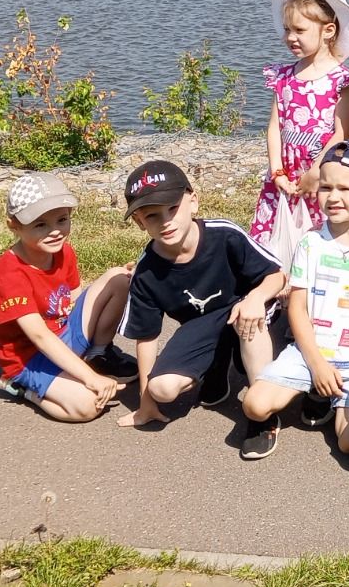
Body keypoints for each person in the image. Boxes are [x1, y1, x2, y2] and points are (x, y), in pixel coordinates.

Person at [238, 140, 349, 459]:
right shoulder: (311, 243)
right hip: (312, 351)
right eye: (326, 187)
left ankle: (333, 400)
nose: (333, 197)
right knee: (254, 405)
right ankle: (314, 393)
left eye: (345, 188)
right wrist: (318, 365)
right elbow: (297, 308)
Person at [115, 161, 287, 460]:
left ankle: (262, 416)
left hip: (247, 312)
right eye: (153, 216)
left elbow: (277, 275)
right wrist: (145, 400)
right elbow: (146, 337)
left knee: (249, 320)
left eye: (172, 208)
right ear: (140, 222)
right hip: (203, 325)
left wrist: (256, 298)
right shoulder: (146, 272)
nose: (166, 221)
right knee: (163, 388)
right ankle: (215, 372)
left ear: (193, 201)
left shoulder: (225, 234)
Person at [0, 174, 137, 422]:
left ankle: (98, 354)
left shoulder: (62, 251)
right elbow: (39, 337)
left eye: (62, 220)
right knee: (88, 407)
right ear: (14, 225)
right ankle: (21, 388)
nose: (55, 231)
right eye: (40, 224)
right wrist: (89, 378)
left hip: (62, 332)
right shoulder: (8, 276)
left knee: (119, 277)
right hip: (29, 357)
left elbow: (73, 298)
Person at [246, 0, 349, 249]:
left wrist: (316, 171)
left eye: (299, 30)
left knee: (317, 237)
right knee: (273, 239)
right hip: (284, 175)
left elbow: (341, 133)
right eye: (287, 30)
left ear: (328, 31)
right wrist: (277, 171)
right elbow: (275, 126)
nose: (290, 37)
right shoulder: (283, 76)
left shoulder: (340, 80)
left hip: (321, 172)